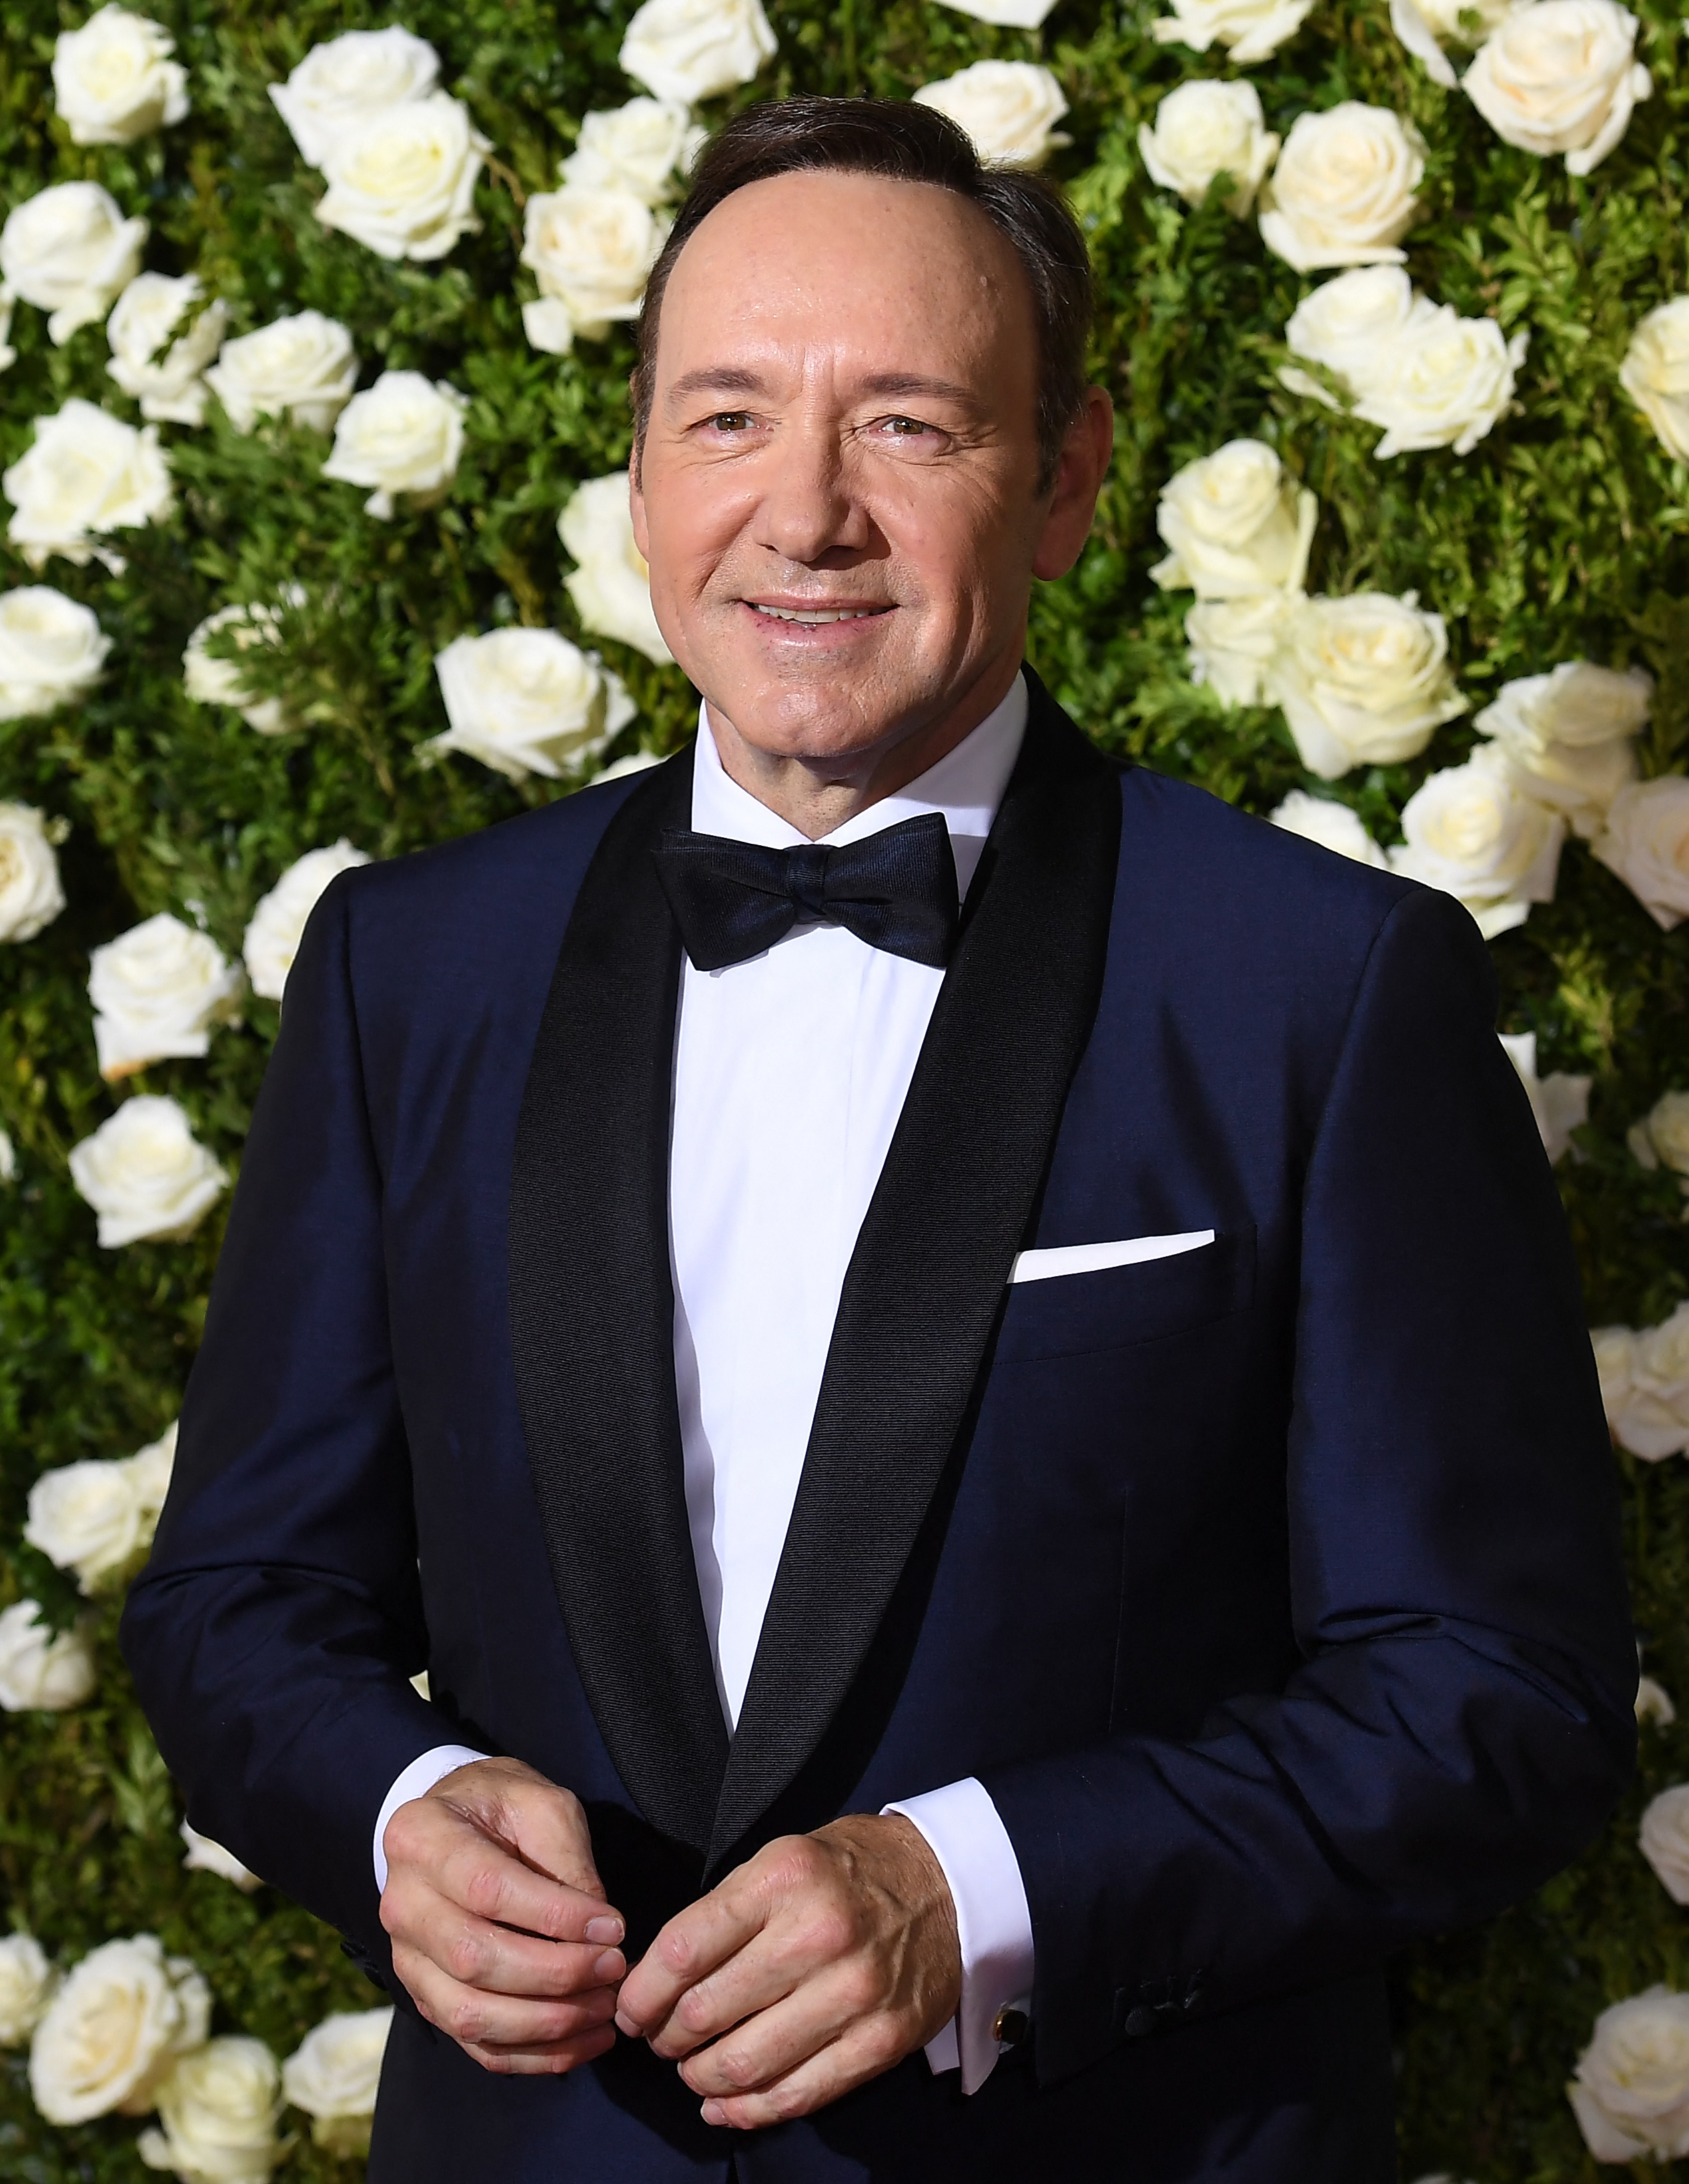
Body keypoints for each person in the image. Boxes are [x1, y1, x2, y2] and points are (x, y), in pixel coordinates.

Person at [122, 96, 1635, 2183]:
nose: (806, 513)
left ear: (1067, 478)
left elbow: (1496, 1689)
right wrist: (392, 1807)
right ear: (641, 472)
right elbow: (237, 1600)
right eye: (727, 418)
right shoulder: (412, 966)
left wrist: (984, 1886)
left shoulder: (1322, 987)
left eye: (909, 425)